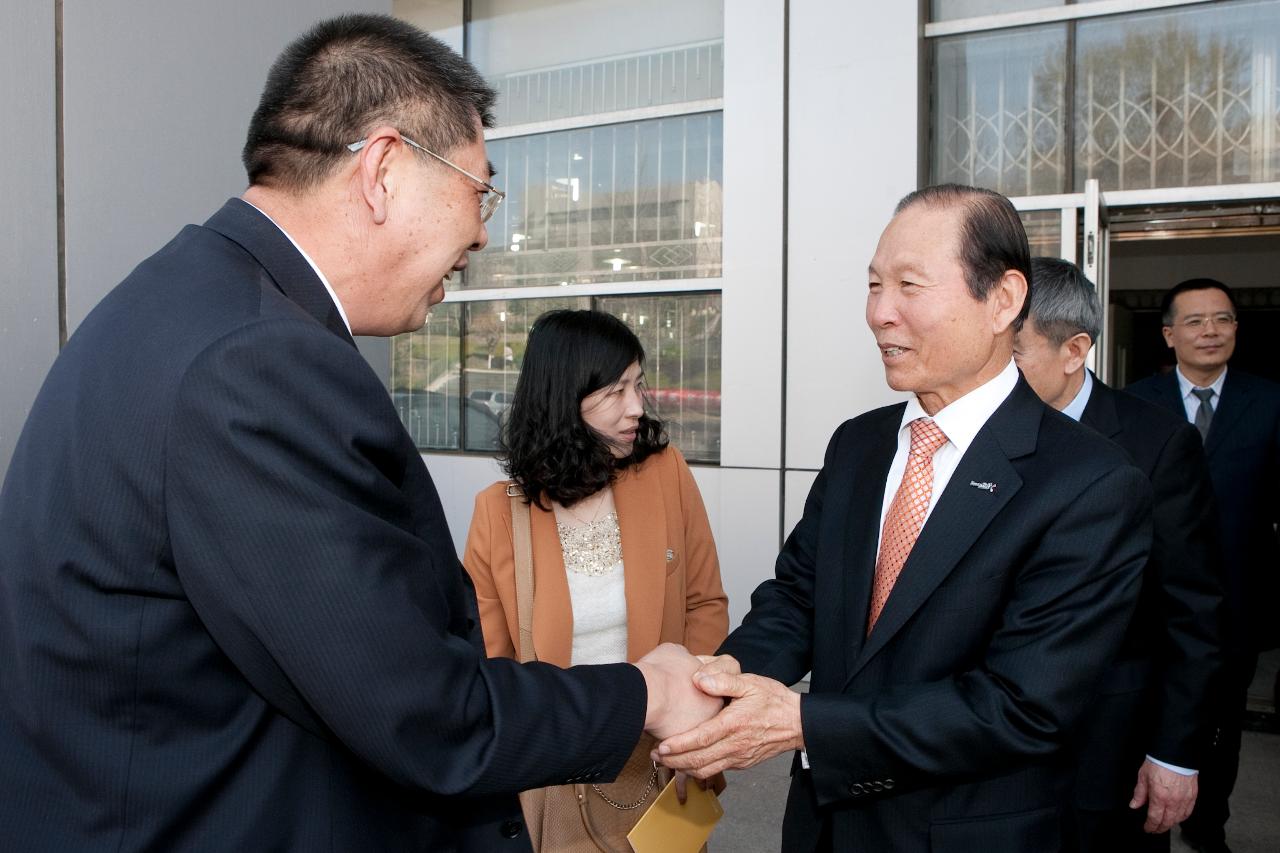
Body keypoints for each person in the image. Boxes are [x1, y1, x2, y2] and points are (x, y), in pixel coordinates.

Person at [0, 15, 719, 852]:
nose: (484, 233)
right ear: (383, 170)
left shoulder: (182, 306)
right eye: (480, 190)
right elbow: (417, 708)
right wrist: (646, 693)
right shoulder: (255, 361)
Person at [654, 184, 1153, 851]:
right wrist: (714, 685)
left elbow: (1023, 706)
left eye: (910, 285)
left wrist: (805, 723)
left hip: (962, 830)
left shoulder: (1089, 483)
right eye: (872, 285)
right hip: (823, 823)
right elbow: (801, 597)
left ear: (1003, 299)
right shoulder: (859, 445)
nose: (880, 313)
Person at [463, 308, 729, 850]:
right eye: (614, 391)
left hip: (665, 762)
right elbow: (490, 666)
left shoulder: (664, 473)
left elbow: (706, 603)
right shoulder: (498, 513)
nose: (636, 407)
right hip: (556, 770)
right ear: (564, 395)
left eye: (638, 385)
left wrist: (697, 728)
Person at [1012, 257, 1224, 852]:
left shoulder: (1156, 444)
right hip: (989, 738)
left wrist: (1176, 754)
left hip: (1107, 742)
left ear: (1074, 350)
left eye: (1015, 353)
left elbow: (1193, 609)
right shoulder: (978, 433)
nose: (993, 372)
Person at [1125, 278, 1280, 853]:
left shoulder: (1269, 402)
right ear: (1168, 335)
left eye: (1223, 319)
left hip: (1238, 601)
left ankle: (1208, 823)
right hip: (1155, 603)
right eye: (1194, 321)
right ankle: (1147, 817)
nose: (1210, 331)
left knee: (1222, 727)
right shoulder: (1135, 403)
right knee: (1148, 713)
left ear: (1237, 329)